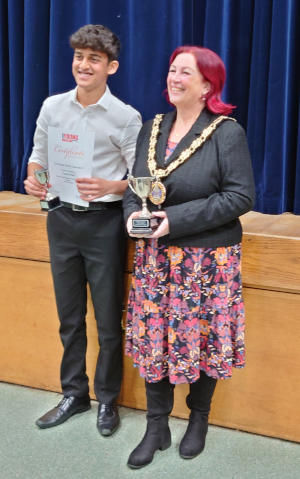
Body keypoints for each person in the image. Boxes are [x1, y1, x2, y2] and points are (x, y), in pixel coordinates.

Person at [123, 45, 255, 468]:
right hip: (155, 262)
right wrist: (132, 219)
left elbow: (240, 196)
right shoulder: (152, 126)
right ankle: (156, 424)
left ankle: (198, 419)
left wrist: (172, 220)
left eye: (185, 72)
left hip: (206, 264)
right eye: (171, 69)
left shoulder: (226, 131)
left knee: (205, 341)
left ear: (206, 86)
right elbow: (135, 186)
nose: (174, 77)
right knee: (155, 341)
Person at [24, 24, 142, 436]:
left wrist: (113, 186)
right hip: (60, 219)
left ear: (111, 67)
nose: (83, 65)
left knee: (109, 321)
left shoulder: (126, 117)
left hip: (105, 224)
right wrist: (35, 178)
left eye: (93, 59)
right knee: (69, 317)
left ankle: (108, 400)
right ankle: (74, 393)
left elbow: (144, 179)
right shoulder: (52, 106)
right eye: (79, 56)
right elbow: (38, 156)